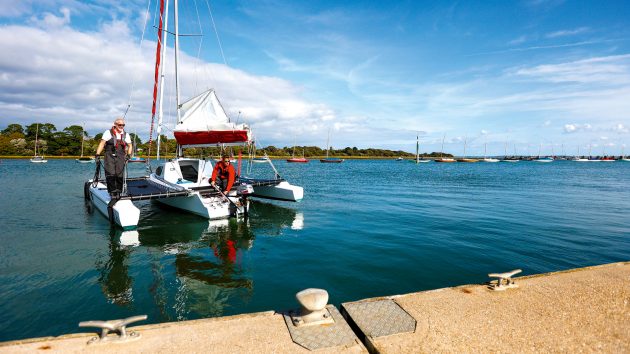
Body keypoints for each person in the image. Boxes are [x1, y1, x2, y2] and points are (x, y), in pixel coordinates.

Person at [96, 118, 133, 197]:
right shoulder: (108, 132)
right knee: (110, 173)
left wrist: (129, 155)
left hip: (121, 156)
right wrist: (97, 154)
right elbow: (102, 143)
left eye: (123, 125)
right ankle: (112, 193)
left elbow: (130, 145)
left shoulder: (126, 135)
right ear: (115, 125)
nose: (121, 126)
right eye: (120, 125)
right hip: (109, 156)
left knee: (119, 174)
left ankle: (118, 192)